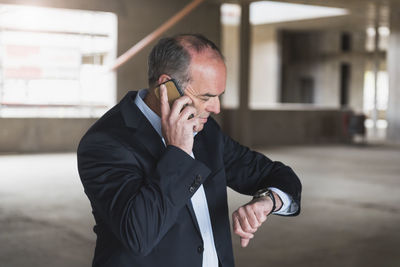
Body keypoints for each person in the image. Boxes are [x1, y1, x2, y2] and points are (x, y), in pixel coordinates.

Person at [77, 33, 302, 267]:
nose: (216, 108)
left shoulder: (205, 130)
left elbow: (274, 173)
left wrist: (267, 201)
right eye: (207, 96)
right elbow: (139, 234)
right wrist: (179, 151)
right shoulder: (105, 143)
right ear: (165, 87)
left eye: (219, 96)